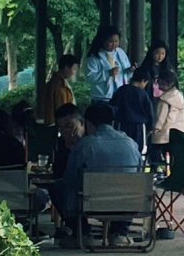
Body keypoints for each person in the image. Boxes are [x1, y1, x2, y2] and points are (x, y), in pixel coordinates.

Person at [50, 100, 143, 246]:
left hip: (94, 204)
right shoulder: (131, 143)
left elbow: (70, 179)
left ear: (86, 123)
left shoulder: (86, 145)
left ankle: (82, 234)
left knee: (59, 187)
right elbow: (139, 174)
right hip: (127, 204)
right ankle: (119, 233)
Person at [110, 66, 156, 155]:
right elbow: (149, 112)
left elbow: (113, 106)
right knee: (138, 150)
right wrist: (150, 127)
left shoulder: (121, 90)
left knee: (121, 149)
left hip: (121, 124)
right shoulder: (142, 94)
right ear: (143, 81)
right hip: (138, 126)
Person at [149, 68, 184, 176]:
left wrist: (155, 129)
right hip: (178, 132)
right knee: (174, 155)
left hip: (164, 133)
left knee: (155, 150)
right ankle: (174, 173)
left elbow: (161, 118)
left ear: (167, 83)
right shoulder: (179, 97)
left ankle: (157, 171)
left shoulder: (164, 100)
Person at [83, 25, 132, 100]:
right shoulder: (94, 57)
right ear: (102, 40)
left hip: (121, 96)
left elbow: (124, 74)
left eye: (116, 41)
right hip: (102, 98)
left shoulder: (120, 52)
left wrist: (130, 70)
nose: (114, 44)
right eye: (110, 42)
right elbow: (89, 77)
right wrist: (107, 73)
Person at [44, 54, 79, 125]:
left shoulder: (58, 82)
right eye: (74, 69)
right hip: (60, 124)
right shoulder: (59, 85)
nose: (74, 73)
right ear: (66, 67)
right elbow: (62, 109)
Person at [53, 103, 85, 179]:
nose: (65, 131)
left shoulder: (91, 143)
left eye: (69, 126)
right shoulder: (60, 143)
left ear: (82, 122)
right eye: (61, 127)